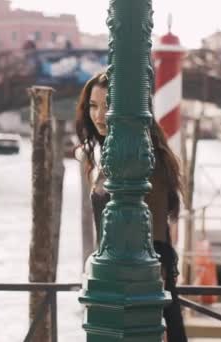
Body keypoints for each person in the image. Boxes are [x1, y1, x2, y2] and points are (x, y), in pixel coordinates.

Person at [75, 71, 188, 341]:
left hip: (141, 283)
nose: (99, 116)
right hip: (114, 283)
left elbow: (157, 234)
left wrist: (151, 289)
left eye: (107, 106)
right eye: (93, 106)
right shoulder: (109, 154)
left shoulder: (144, 156)